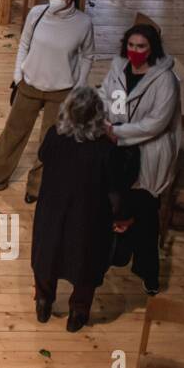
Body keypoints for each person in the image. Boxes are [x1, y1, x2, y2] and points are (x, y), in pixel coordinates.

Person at [0, 0, 94, 203]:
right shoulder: (37, 13)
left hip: (61, 91)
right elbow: (24, 43)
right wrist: (18, 75)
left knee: (50, 142)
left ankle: (38, 188)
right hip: (29, 83)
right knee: (13, 132)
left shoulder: (83, 23)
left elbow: (88, 56)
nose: (52, 0)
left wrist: (78, 87)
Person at [32, 86, 121, 331]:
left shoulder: (54, 136)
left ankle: (43, 301)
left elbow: (42, 155)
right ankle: (78, 313)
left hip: (53, 212)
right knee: (86, 265)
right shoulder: (106, 149)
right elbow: (115, 189)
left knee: (46, 259)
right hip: (88, 219)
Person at [101, 23, 182, 295]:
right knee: (116, 207)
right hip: (118, 151)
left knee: (145, 217)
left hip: (148, 155)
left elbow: (156, 123)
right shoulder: (119, 68)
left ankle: (149, 274)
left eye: (141, 47)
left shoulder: (165, 81)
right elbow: (106, 96)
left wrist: (118, 133)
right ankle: (116, 255)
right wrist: (103, 118)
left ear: (152, 48)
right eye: (132, 45)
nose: (135, 51)